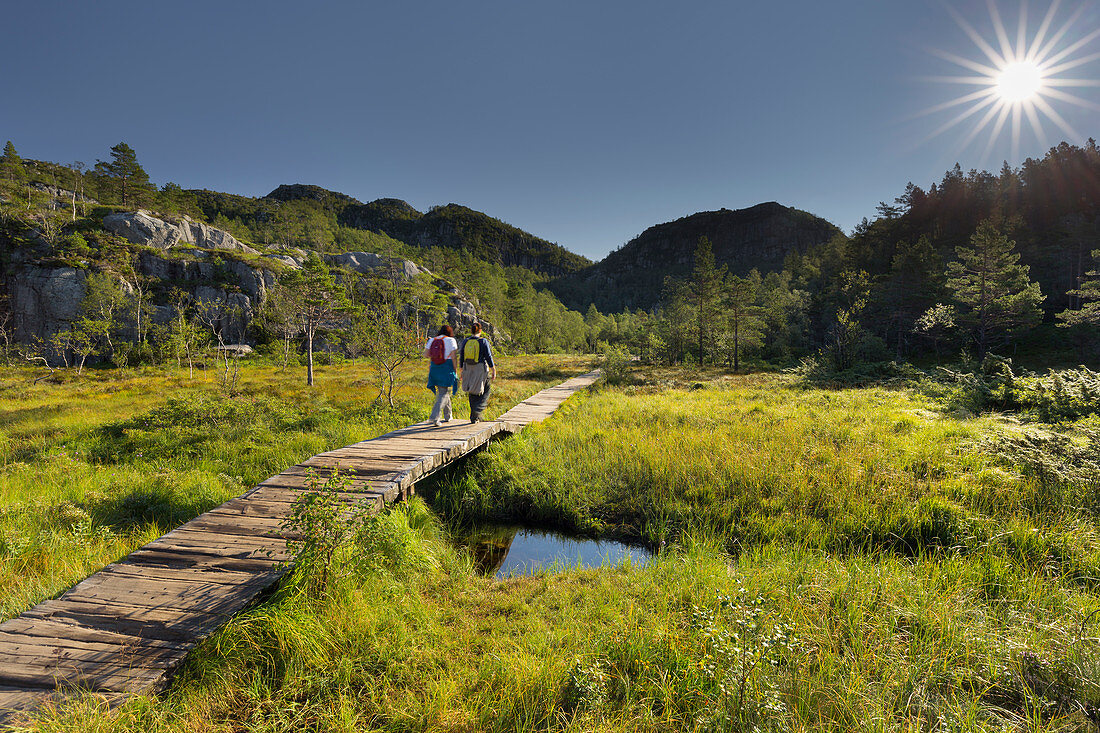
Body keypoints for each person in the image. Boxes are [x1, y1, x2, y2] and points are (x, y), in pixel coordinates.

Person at [460, 322, 496, 423]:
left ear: (471, 331)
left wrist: (461, 370)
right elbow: (488, 356)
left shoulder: (465, 341)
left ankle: (474, 417)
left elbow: (462, 356)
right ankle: (476, 413)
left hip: (468, 368)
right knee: (485, 390)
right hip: (480, 369)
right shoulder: (483, 341)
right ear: (480, 331)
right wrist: (493, 369)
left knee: (472, 391)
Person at [424, 325, 459, 427]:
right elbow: (453, 357)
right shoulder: (451, 340)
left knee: (443, 391)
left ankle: (448, 416)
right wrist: (455, 370)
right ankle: (435, 417)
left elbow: (426, 354)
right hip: (446, 367)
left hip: (434, 368)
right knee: (443, 392)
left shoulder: (432, 340)